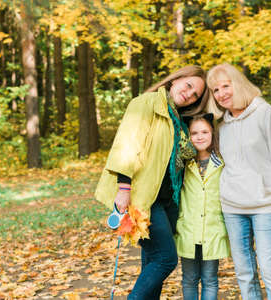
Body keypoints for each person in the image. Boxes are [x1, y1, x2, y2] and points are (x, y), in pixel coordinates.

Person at [95, 65, 209, 300]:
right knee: (165, 258)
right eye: (188, 85)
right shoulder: (146, 103)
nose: (189, 94)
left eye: (196, 94)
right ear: (176, 79)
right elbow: (127, 145)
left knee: (151, 260)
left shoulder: (177, 117)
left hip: (168, 200)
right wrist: (124, 188)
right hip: (143, 196)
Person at [206, 63, 271, 300]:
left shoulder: (265, 113)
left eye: (226, 86)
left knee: (270, 269)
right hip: (232, 207)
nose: (222, 93)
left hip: (266, 205)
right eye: (216, 90)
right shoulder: (221, 124)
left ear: (239, 84)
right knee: (245, 273)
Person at [175, 114, 230, 300]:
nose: (199, 137)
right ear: (188, 136)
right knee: (189, 278)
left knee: (210, 278)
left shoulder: (222, 163)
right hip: (188, 229)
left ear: (212, 133)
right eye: (194, 133)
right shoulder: (183, 163)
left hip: (212, 230)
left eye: (204, 131)